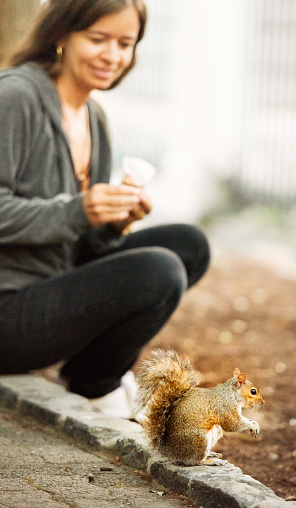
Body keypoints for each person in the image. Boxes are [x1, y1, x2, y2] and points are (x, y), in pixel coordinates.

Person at [0, 0, 210, 418]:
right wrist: (80, 208)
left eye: (125, 43)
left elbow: (79, 245)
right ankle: (96, 386)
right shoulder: (15, 97)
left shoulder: (95, 117)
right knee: (160, 271)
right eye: (98, 39)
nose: (112, 56)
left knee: (188, 244)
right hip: (8, 309)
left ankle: (85, 374)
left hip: (50, 284)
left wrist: (114, 224)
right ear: (61, 34)